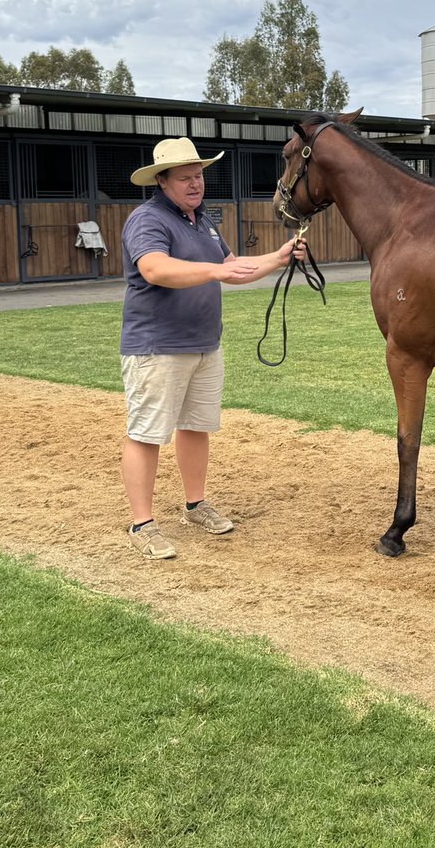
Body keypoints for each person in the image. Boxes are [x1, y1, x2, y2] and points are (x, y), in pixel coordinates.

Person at [121, 137, 305, 559]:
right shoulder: (147, 219)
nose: (194, 184)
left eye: (199, 175)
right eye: (184, 177)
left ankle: (194, 504)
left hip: (204, 344)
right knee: (146, 434)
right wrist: (212, 269)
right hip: (157, 347)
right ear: (162, 181)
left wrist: (277, 258)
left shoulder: (202, 221)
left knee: (196, 427)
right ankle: (142, 523)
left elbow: (232, 270)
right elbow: (154, 268)